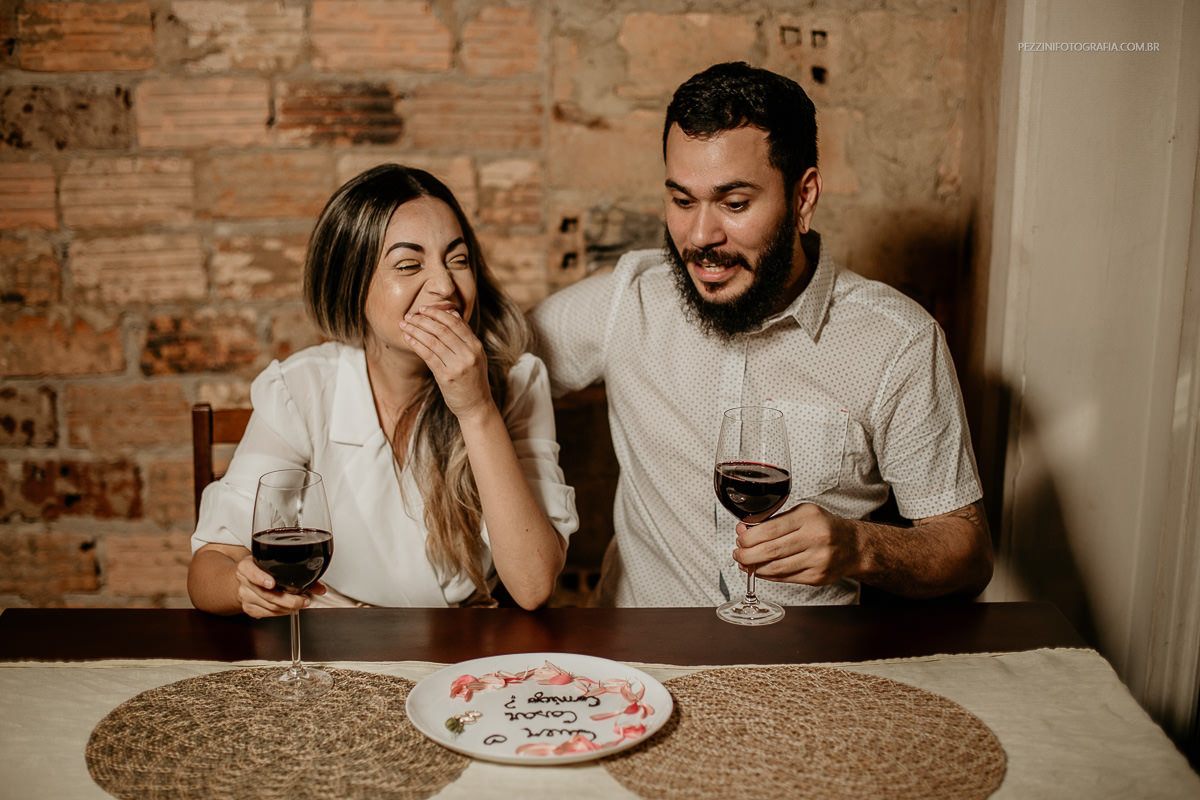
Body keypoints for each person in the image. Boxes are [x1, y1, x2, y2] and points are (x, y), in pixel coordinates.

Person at [529, 62, 993, 607]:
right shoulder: (628, 301)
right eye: (682, 201)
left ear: (804, 197)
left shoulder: (898, 342)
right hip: (644, 658)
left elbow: (968, 554)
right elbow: (486, 363)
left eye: (734, 204)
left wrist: (861, 547)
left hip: (806, 672)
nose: (701, 236)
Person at [189, 164, 577, 616]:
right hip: (332, 646)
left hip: (459, 648)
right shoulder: (303, 387)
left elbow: (533, 585)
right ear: (353, 285)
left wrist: (476, 409)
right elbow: (209, 564)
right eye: (409, 265)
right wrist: (243, 589)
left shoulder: (516, 380)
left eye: (458, 259)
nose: (446, 287)